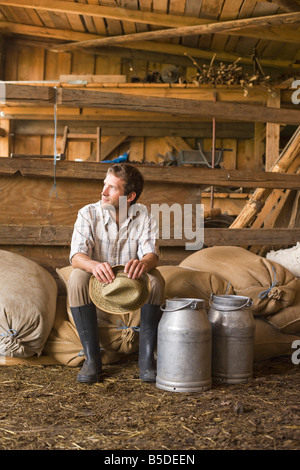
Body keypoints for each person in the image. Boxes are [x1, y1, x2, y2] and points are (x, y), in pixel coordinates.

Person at [68, 163, 165, 384]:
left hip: (130, 280)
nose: (103, 192)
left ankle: (147, 359)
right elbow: (76, 256)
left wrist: (143, 264)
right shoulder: (87, 213)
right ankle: (92, 359)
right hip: (97, 277)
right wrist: (93, 265)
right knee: (76, 277)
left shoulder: (144, 215)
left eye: (112, 188)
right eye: (105, 185)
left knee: (157, 280)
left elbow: (152, 253)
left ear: (130, 196)